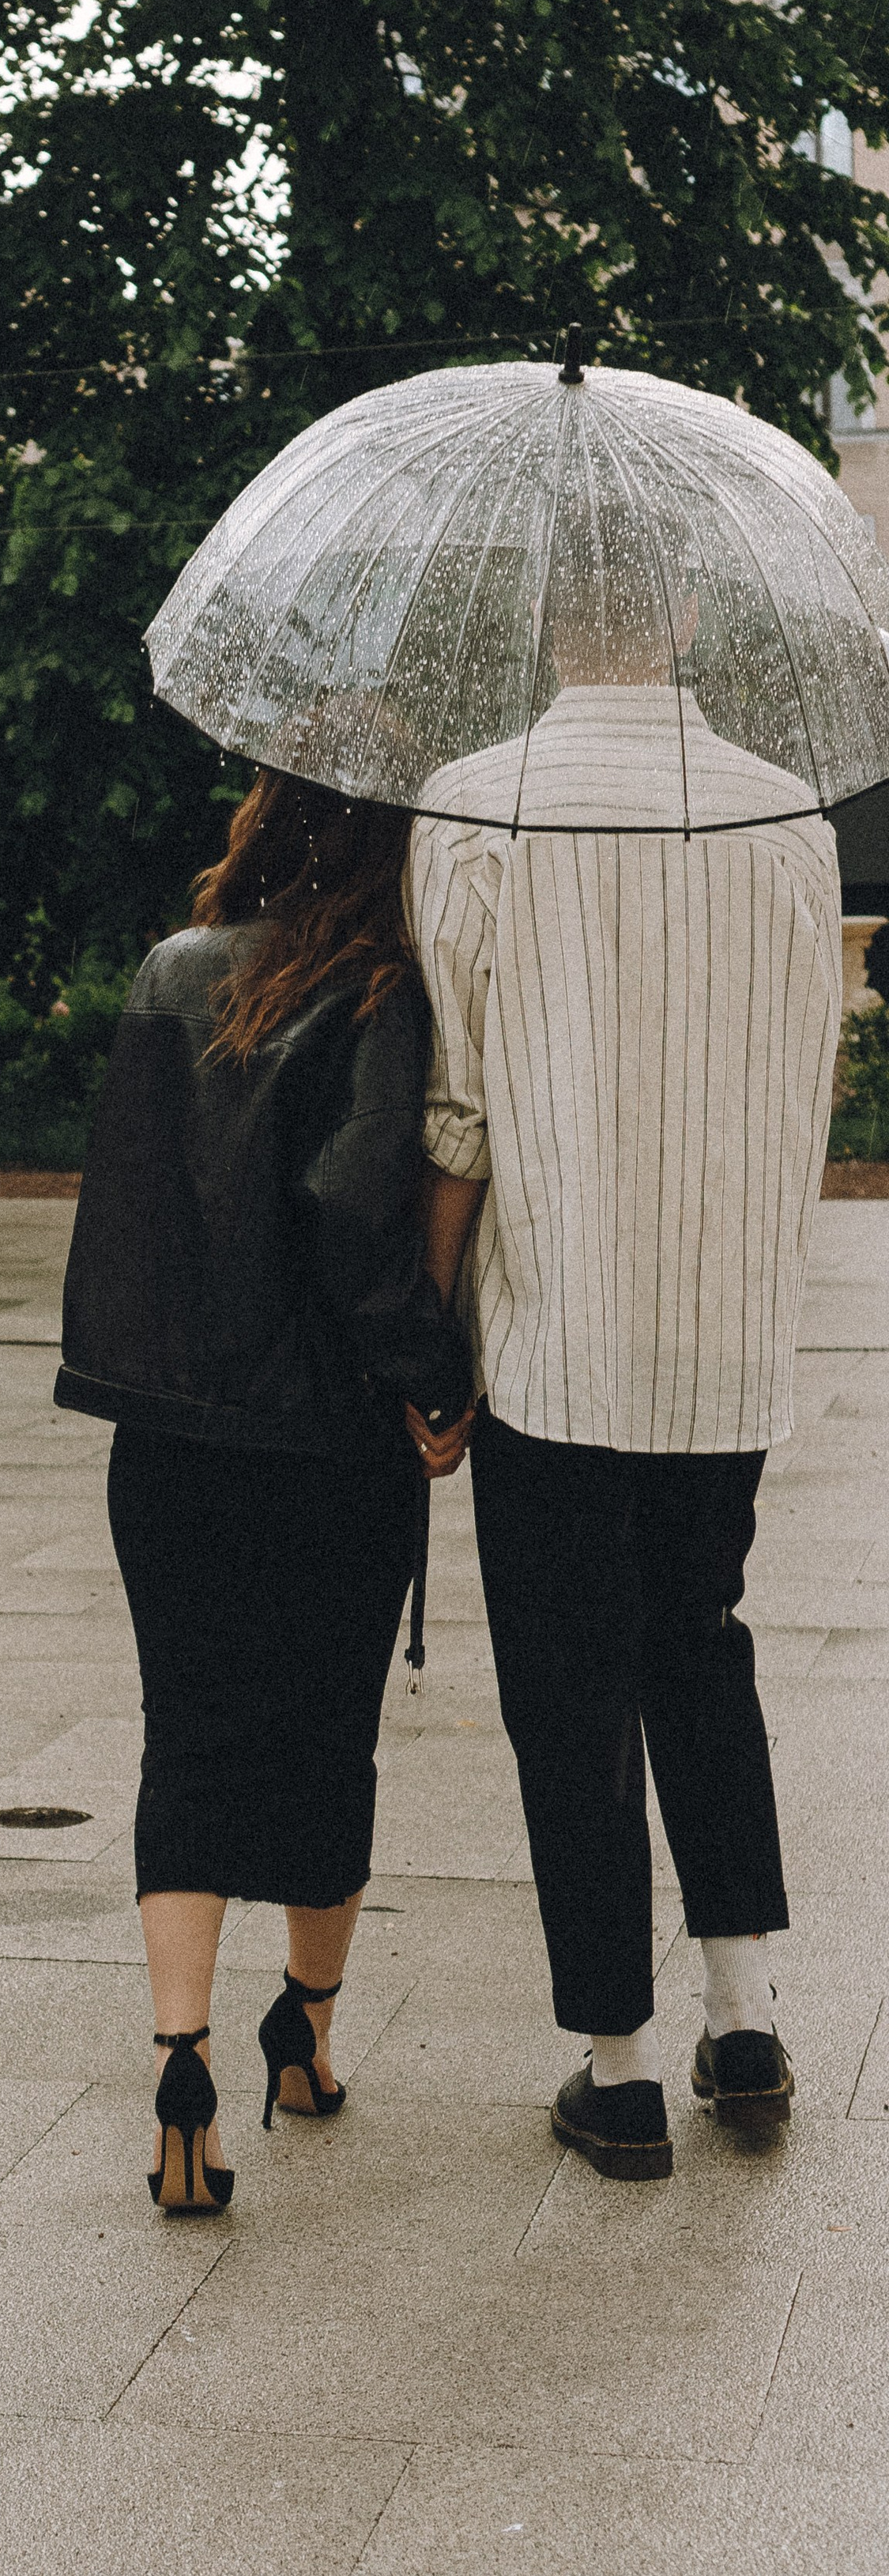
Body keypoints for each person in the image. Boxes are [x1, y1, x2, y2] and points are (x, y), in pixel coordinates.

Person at [405, 526, 843, 2182]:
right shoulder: (785, 814)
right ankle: (746, 2017)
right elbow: (807, 1070)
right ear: (684, 616)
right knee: (700, 1648)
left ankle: (621, 2068)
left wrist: (429, 1336)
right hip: (718, 1332)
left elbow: (456, 1109)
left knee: (567, 1691)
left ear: (541, 624)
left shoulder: (475, 807)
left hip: (553, 1333)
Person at [57, 772, 474, 2212]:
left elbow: (128, 1200)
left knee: (187, 1737)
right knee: (324, 1738)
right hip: (324, 1446)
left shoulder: (170, 974)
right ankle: (304, 2035)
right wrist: (435, 1376)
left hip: (169, 1442)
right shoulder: (383, 994)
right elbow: (356, 1218)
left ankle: (182, 2068)